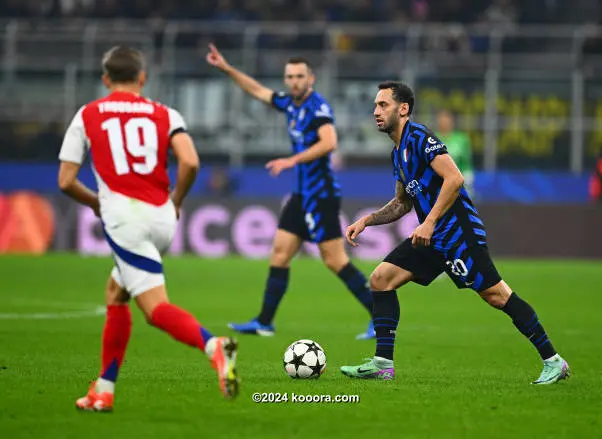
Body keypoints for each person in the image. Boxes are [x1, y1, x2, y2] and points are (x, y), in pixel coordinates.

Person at [340, 81, 570, 385]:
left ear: (403, 108)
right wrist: (368, 220)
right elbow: (402, 203)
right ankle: (383, 364)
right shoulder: (398, 154)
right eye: (375, 106)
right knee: (381, 279)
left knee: (496, 295)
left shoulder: (420, 137)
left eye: (383, 105)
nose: (376, 112)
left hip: (458, 232)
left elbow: (454, 178)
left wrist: (431, 221)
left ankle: (554, 361)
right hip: (432, 238)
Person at [58, 46, 239, 411]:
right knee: (116, 292)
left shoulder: (88, 114)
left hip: (125, 219)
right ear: (143, 78)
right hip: (161, 216)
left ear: (106, 79)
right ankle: (103, 390)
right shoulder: (164, 113)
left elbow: (65, 181)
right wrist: (177, 202)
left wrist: (96, 203)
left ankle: (214, 346)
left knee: (155, 309)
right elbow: (189, 161)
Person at [206, 44, 374, 339]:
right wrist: (227, 68)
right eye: (289, 76)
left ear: (311, 79)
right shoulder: (290, 104)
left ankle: (379, 318)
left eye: (299, 76)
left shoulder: (317, 107)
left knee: (335, 261)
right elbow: (257, 91)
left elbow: (329, 142)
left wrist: (291, 160)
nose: (294, 81)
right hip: (301, 195)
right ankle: (264, 322)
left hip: (320, 195)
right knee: (280, 254)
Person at [436, 109, 474, 196]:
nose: (444, 123)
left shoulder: (462, 139)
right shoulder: (433, 138)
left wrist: (468, 180)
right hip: (439, 183)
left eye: (446, 120)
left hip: (458, 182)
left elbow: (466, 162)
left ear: (451, 121)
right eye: (441, 120)